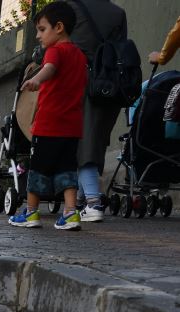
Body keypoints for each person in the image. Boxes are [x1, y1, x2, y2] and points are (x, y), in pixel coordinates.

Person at [9, 1, 87, 231]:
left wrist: (35, 79)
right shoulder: (80, 55)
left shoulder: (55, 51)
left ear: (59, 27)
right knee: (67, 169)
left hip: (49, 125)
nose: (38, 36)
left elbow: (50, 68)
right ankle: (71, 213)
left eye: (42, 29)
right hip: (72, 126)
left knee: (38, 168)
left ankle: (31, 213)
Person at [68, 0, 128, 223]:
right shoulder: (118, 12)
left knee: (84, 143)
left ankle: (92, 201)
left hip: (82, 81)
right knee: (97, 140)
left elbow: (58, 44)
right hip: (111, 84)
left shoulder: (69, 7)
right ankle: (84, 201)